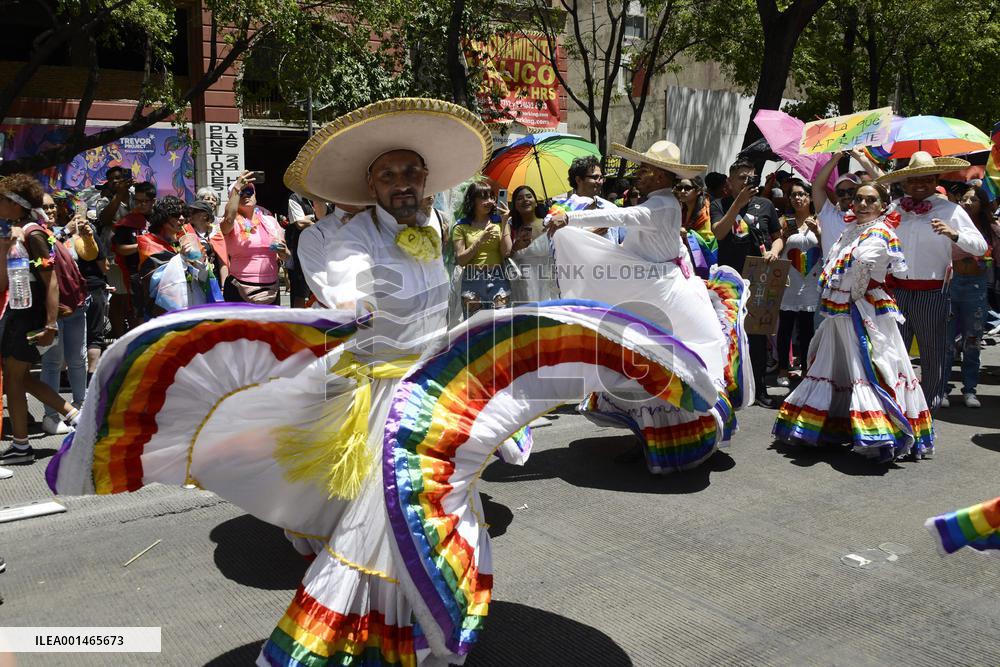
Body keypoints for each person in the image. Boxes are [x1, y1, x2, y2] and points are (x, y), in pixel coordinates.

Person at [49, 99, 729, 666]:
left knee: (434, 512)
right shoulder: (334, 237)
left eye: (413, 171)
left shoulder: (432, 223)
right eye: (390, 174)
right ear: (369, 185)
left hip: (439, 395)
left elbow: (444, 306)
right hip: (376, 405)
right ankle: (351, 642)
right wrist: (357, 306)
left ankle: (416, 634)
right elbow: (343, 292)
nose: (404, 182)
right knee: (387, 521)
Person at [548, 139, 752, 474]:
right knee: (645, 370)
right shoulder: (661, 201)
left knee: (665, 367)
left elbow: (622, 215)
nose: (639, 175)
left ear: (659, 176)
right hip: (654, 295)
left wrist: (569, 218)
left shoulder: (661, 205)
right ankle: (652, 436)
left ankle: (686, 437)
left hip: (665, 300)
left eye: (645, 169)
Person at [774, 183, 933, 462]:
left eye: (870, 200)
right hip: (840, 310)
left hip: (862, 311)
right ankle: (831, 424)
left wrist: (853, 302)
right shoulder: (851, 231)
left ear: (882, 205)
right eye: (858, 199)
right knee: (835, 365)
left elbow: (862, 270)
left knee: (868, 365)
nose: (861, 204)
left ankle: (876, 431)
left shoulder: (880, 232)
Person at [876, 152, 987, 409]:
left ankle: (929, 410)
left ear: (935, 179)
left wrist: (955, 234)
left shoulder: (950, 210)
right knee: (892, 354)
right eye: (913, 179)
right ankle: (895, 410)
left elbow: (981, 246)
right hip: (895, 293)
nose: (919, 184)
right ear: (904, 183)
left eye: (926, 179)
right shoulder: (893, 209)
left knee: (933, 356)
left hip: (933, 293)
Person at [0, 175, 81, 467]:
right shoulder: (19, 232)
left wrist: (50, 325)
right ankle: (76, 416)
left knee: (14, 378)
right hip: (18, 312)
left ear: (14, 203)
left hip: (29, 316)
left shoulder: (33, 235)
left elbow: (51, 283)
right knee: (19, 377)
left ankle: (22, 447)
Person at [710, 157, 784, 408]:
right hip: (731, 278)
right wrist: (737, 205)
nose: (746, 181)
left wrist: (774, 251)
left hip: (759, 276)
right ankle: (732, 386)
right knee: (730, 333)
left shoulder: (765, 205)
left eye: (750, 177)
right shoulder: (719, 204)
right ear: (729, 182)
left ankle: (760, 388)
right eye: (741, 177)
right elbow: (718, 232)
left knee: (757, 334)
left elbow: (777, 237)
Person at [39, 208, 94, 435]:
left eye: (53, 206)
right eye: (46, 207)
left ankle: (81, 408)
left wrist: (88, 237)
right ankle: (51, 417)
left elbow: (90, 256)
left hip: (75, 305)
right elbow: (45, 258)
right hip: (51, 309)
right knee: (52, 362)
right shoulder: (35, 234)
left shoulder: (69, 235)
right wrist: (64, 232)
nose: (51, 210)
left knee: (78, 360)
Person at [940, 184, 996, 408]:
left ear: (982, 203)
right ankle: (941, 389)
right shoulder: (950, 221)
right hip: (951, 283)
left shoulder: (990, 228)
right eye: (964, 198)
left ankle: (970, 390)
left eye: (974, 199)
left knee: (973, 340)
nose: (968, 202)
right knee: (946, 341)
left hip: (976, 286)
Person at [775, 179, 821, 387]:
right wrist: (782, 240)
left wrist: (818, 232)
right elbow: (777, 243)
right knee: (785, 328)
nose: (797, 198)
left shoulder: (820, 220)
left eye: (802, 194)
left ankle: (806, 369)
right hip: (789, 283)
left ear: (810, 197)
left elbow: (828, 247)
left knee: (807, 330)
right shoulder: (785, 221)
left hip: (812, 283)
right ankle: (783, 368)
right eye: (793, 195)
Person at [138, 196, 217, 315]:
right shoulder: (148, 241)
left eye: (183, 215)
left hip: (193, 304)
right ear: (163, 217)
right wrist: (181, 258)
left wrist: (201, 261)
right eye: (176, 215)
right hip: (165, 310)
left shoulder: (187, 239)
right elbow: (155, 281)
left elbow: (203, 276)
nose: (181, 219)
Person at [220, 174, 289, 304]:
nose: (246, 195)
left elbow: (286, 255)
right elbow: (229, 218)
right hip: (240, 287)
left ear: (255, 195)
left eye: (249, 191)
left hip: (271, 290)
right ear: (233, 198)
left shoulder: (270, 221)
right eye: (241, 193)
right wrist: (236, 188)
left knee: (271, 325)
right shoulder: (231, 223)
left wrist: (284, 252)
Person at [451, 180, 513, 317]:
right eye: (484, 197)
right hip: (472, 280)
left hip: (498, 278)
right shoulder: (461, 226)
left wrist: (504, 222)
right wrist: (480, 240)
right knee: (476, 329)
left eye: (491, 197)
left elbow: (507, 252)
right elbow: (461, 260)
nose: (489, 201)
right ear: (472, 200)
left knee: (501, 325)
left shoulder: (499, 221)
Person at [812, 148, 883, 260]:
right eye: (841, 192)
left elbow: (886, 185)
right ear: (836, 195)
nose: (846, 195)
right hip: (832, 276)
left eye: (851, 191)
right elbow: (817, 186)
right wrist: (835, 159)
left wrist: (860, 157)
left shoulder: (871, 217)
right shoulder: (828, 215)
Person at [112, 181, 155, 330]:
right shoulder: (126, 223)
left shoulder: (160, 220)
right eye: (137, 201)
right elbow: (120, 249)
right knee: (139, 313)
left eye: (145, 201)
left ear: (153, 201)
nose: (140, 205)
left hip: (160, 273)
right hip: (136, 274)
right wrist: (142, 245)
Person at [508, 184, 559, 302]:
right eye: (520, 198)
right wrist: (516, 247)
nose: (525, 200)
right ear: (515, 205)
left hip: (548, 285)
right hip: (523, 288)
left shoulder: (550, 224)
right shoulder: (511, 229)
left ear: (536, 202)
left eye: (529, 196)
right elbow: (506, 257)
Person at [285, 193, 327, 307]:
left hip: (325, 250)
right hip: (302, 252)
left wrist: (309, 218)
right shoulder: (295, 198)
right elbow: (299, 223)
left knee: (323, 288)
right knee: (300, 292)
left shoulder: (328, 196)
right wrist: (319, 221)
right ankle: (298, 322)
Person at [674, 175, 718, 279]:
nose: (683, 191)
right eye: (680, 188)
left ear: (698, 191)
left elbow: (708, 239)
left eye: (687, 188)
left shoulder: (706, 212)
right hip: (686, 257)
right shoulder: (682, 209)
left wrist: (687, 234)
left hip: (702, 259)